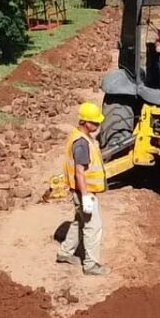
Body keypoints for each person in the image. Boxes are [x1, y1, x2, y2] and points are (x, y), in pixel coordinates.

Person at [56, 102, 109, 276]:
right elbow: (80, 172)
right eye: (95, 123)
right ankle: (91, 265)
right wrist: (86, 196)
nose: (97, 125)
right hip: (84, 191)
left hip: (80, 191)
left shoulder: (79, 136)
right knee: (93, 227)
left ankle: (65, 252)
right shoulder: (81, 144)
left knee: (79, 221)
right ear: (85, 122)